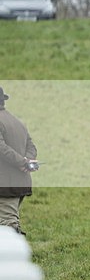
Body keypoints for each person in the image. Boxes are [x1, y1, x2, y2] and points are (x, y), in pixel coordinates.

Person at [0, 87, 38, 235]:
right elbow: (31, 147)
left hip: (6, 185)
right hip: (18, 182)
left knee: (7, 227)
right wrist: (26, 162)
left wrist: (22, 162)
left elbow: (1, 148)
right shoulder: (17, 121)